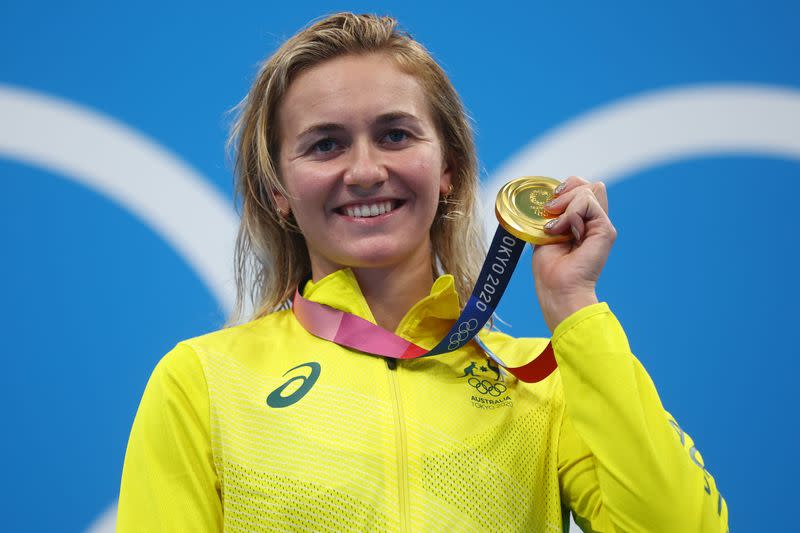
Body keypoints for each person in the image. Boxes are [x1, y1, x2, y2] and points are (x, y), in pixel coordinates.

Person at [118, 12, 728, 532]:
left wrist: (576, 308)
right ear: (277, 189)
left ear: (449, 170)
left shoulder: (539, 385)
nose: (364, 170)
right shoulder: (201, 381)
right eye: (325, 144)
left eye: (395, 135)